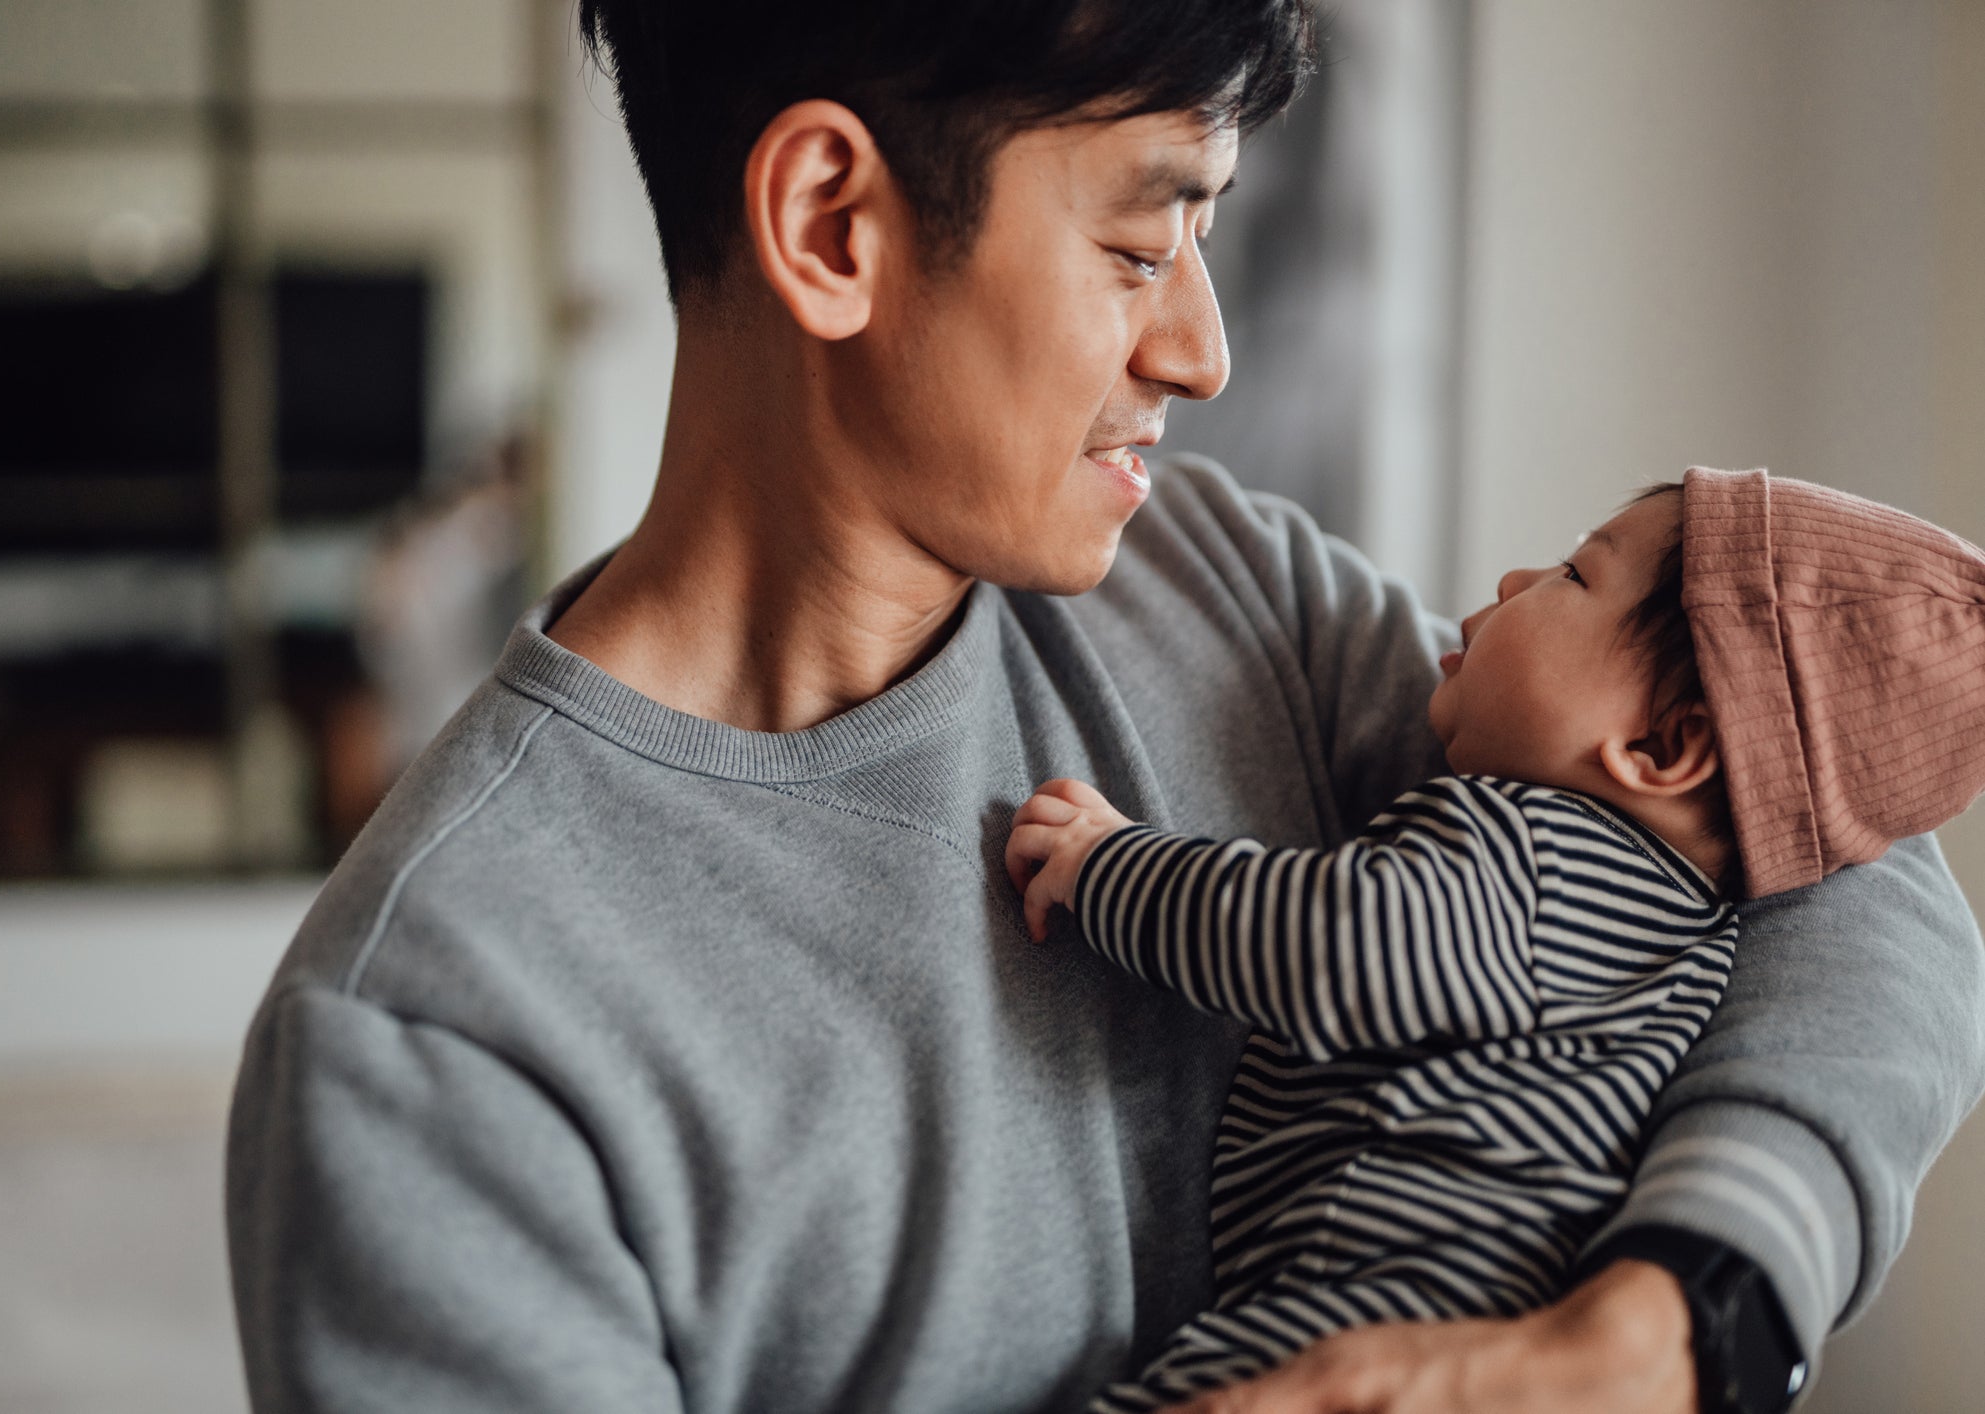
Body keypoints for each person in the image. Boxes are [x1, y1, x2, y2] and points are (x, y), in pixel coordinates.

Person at [224, 4, 1985, 1411]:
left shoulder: (1223, 586)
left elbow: (1837, 850)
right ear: (833, 223)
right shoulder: (435, 1044)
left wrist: (1675, 1324)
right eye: (1144, 244)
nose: (1204, 349)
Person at [1006, 470, 1985, 1410]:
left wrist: (1111, 866)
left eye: (1574, 576)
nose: (1515, 580)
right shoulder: (1692, 927)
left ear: (1661, 749)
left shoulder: (1529, 845)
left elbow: (1343, 950)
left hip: (1376, 1317)